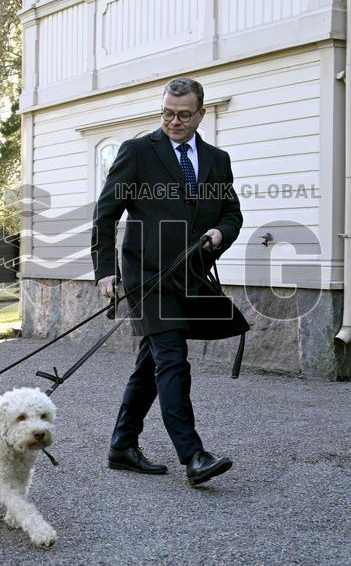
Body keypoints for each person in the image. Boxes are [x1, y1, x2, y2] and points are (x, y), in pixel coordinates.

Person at [91, 77, 244, 486]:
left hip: (191, 278)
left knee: (152, 364)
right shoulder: (138, 152)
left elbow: (232, 213)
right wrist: (106, 269)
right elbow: (107, 214)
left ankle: (122, 445)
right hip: (147, 277)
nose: (173, 122)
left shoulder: (216, 159)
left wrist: (220, 234)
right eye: (166, 113)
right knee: (173, 360)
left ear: (201, 114)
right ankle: (193, 455)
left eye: (182, 115)